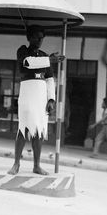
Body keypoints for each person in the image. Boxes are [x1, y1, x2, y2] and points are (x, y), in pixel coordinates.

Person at [8, 25, 65, 175]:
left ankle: (37, 165)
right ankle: (16, 163)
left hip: (41, 95)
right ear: (29, 37)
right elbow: (27, 63)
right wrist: (49, 60)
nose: (40, 40)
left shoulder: (44, 55)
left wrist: (51, 99)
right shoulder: (23, 51)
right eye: (36, 37)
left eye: (42, 38)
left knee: (39, 130)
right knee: (23, 128)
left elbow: (50, 79)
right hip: (27, 92)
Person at [89, 97, 107, 162]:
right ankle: (95, 154)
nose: (102, 104)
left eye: (103, 103)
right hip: (105, 127)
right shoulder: (106, 110)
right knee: (98, 139)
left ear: (106, 104)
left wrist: (94, 125)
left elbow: (103, 119)